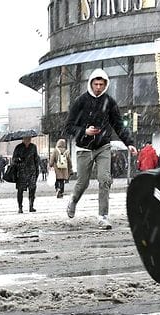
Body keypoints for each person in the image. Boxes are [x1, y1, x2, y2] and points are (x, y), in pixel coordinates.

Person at [64, 68, 137, 230]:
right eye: (96, 84)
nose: (98, 87)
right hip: (84, 148)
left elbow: (118, 125)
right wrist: (84, 131)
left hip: (103, 146)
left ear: (106, 85)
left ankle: (103, 216)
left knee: (105, 179)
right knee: (83, 182)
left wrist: (129, 143)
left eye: (101, 84)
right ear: (91, 84)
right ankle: (73, 200)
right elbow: (68, 126)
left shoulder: (109, 102)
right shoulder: (80, 101)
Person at [11, 135, 42, 213]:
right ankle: (20, 207)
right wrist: (19, 159)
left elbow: (36, 159)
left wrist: (37, 170)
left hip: (32, 171)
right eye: (27, 138)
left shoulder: (33, 147)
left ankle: (31, 206)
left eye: (29, 138)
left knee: (32, 189)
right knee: (20, 190)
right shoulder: (18, 147)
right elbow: (13, 159)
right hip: (21, 172)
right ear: (23, 139)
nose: (28, 140)